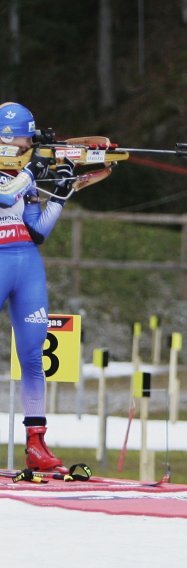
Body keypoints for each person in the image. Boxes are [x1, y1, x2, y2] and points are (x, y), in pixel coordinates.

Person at [0, 102, 74, 471]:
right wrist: (31, 172)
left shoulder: (22, 172)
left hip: (26, 262)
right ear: (6, 137)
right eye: (25, 135)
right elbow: (4, 194)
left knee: (33, 357)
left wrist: (61, 193)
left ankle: (36, 444)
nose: (29, 141)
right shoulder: (17, 173)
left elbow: (38, 230)